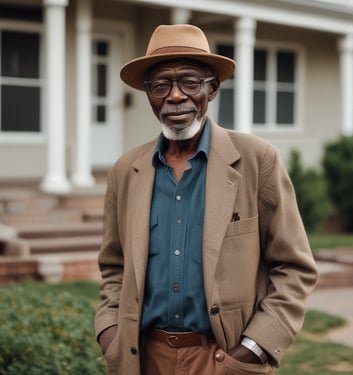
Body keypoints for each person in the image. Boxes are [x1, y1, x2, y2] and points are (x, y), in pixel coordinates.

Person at [95, 24, 319, 375]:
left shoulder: (257, 160)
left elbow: (294, 266)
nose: (175, 96)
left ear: (211, 89)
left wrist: (254, 347)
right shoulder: (126, 171)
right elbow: (114, 266)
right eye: (160, 85)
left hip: (223, 359)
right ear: (148, 94)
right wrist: (110, 333)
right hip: (142, 358)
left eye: (190, 82)